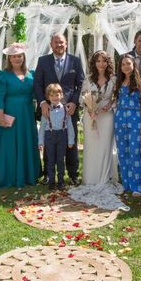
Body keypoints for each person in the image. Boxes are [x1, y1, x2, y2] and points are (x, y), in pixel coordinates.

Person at [69, 51, 127, 211]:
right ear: (94, 63)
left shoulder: (114, 79)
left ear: (108, 63)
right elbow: (81, 97)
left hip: (107, 116)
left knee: (105, 147)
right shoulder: (88, 79)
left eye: (104, 61)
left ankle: (105, 178)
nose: (101, 64)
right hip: (91, 116)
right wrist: (89, 106)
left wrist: (111, 105)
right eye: (98, 61)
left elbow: (117, 97)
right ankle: (91, 179)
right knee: (92, 147)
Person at [0, 43, 41, 188]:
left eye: (19, 56)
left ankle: (28, 175)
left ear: (24, 57)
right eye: (14, 56)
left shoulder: (31, 74)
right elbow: (0, 97)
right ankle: (8, 176)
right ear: (9, 58)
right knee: (9, 145)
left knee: (26, 142)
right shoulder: (3, 76)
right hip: (10, 114)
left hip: (27, 115)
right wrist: (0, 117)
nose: (17, 59)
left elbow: (37, 94)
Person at [34, 33, 84, 185]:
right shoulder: (43, 61)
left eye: (61, 42)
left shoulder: (75, 61)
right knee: (49, 143)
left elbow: (80, 84)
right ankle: (49, 175)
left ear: (66, 44)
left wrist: (74, 102)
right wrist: (42, 102)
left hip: (68, 110)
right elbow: (37, 84)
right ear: (51, 44)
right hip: (48, 109)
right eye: (56, 42)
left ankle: (73, 174)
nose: (59, 45)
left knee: (71, 141)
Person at [114, 54, 141, 197]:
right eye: (123, 64)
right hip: (120, 119)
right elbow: (114, 100)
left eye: (128, 63)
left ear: (133, 65)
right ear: (120, 67)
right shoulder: (118, 82)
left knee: (134, 152)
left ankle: (137, 186)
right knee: (122, 152)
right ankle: (126, 184)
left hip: (135, 119)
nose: (126, 66)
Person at [38, 84, 75, 191]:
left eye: (57, 95)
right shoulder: (46, 110)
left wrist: (71, 140)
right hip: (49, 136)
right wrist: (40, 142)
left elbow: (70, 126)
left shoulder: (65, 109)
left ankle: (61, 181)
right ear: (48, 97)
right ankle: (51, 181)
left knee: (60, 159)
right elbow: (42, 127)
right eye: (52, 95)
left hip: (62, 136)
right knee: (50, 160)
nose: (55, 97)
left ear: (61, 95)